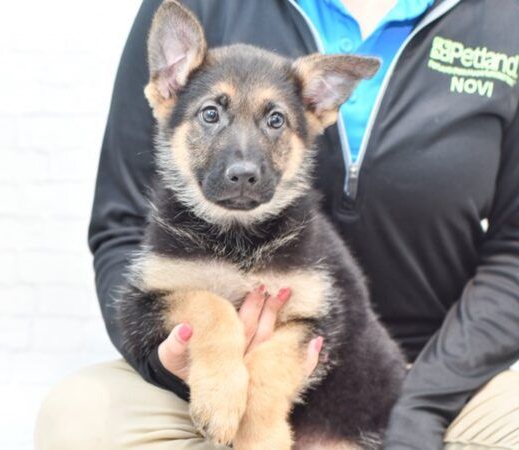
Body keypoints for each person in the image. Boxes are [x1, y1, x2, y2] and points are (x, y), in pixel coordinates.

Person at [35, 1, 519, 449]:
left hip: (432, 363)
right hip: (200, 369)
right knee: (77, 414)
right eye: (211, 116)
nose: (243, 164)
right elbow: (120, 228)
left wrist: (423, 403)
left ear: (319, 106)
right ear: (168, 86)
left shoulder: (503, 20)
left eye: (273, 122)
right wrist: (176, 361)